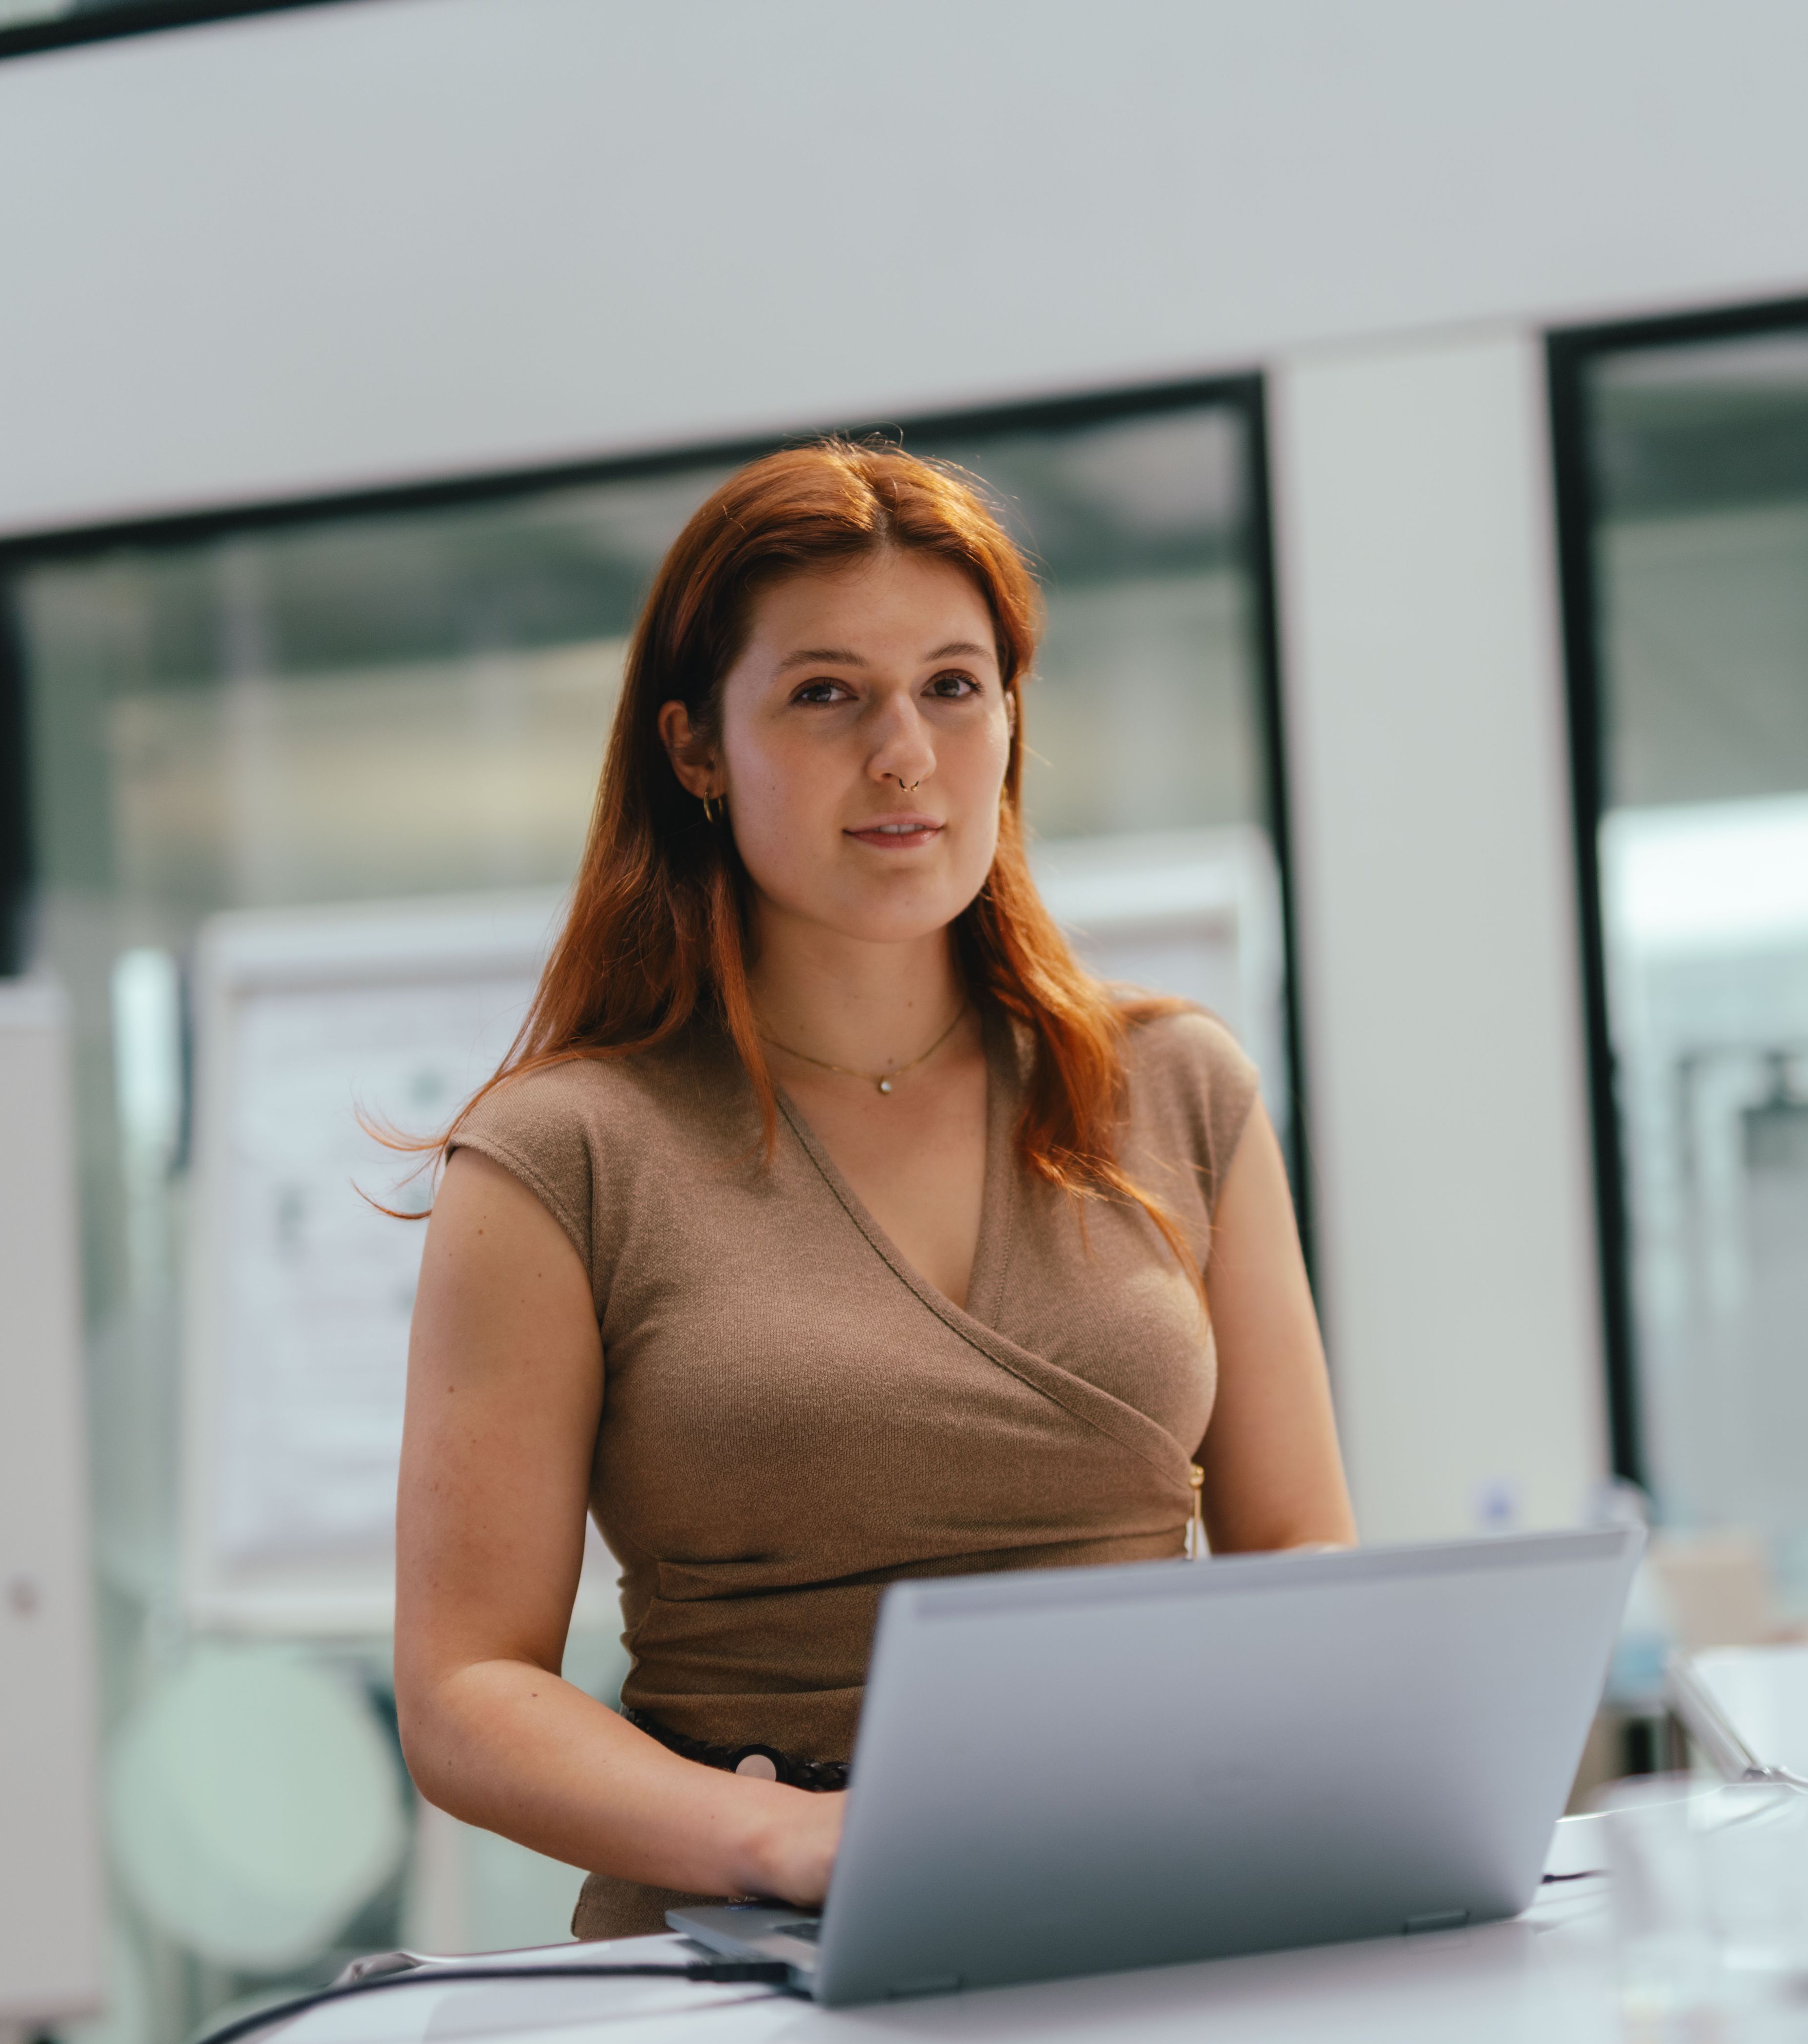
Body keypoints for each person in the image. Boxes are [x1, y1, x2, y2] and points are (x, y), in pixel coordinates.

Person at [393, 440, 1354, 1941]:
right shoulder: (561, 1153)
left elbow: (1299, 1554)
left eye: (953, 687)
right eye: (828, 694)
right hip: (756, 1944)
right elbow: (466, 1692)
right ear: (696, 747)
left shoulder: (1176, 1085)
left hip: (1155, 1903)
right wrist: (788, 1841)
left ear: (1011, 720)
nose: (904, 754)